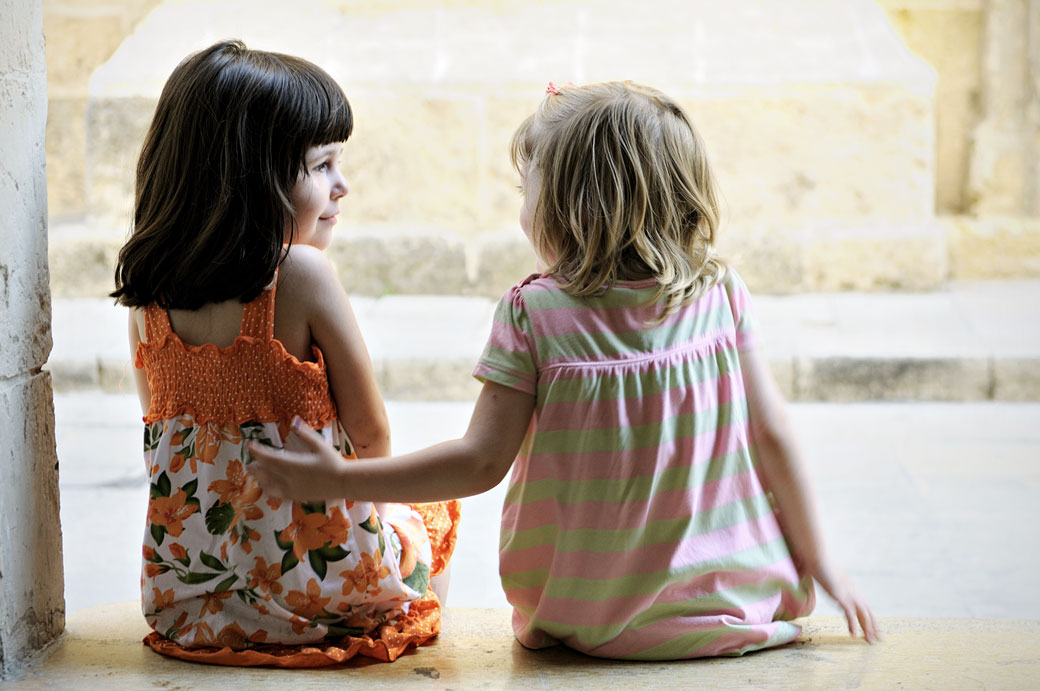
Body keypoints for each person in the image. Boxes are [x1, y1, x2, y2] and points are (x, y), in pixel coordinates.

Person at [247, 81, 880, 660]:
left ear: (569, 207)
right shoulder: (720, 294)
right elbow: (772, 434)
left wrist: (345, 479)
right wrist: (820, 560)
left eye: (528, 192)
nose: (522, 211)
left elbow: (479, 463)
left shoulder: (533, 313)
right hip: (733, 613)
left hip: (587, 624)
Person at [110, 39, 459, 667]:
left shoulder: (147, 296)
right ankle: (392, 600)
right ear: (252, 178)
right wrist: (382, 538)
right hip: (326, 602)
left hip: (187, 607)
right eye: (323, 166)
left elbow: (160, 438)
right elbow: (372, 434)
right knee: (430, 514)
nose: (342, 186)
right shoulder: (300, 274)